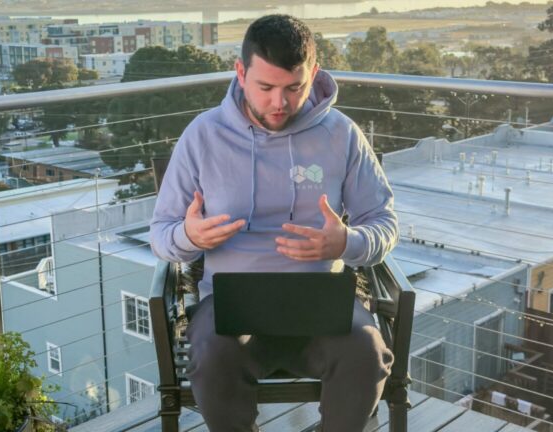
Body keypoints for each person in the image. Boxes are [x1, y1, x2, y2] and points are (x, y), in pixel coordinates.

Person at [150, 14, 398, 432]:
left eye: (293, 88)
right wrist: (188, 236)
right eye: (265, 88)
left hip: (323, 304)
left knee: (368, 351)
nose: (279, 103)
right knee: (210, 355)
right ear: (241, 72)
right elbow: (160, 235)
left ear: (314, 74)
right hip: (230, 311)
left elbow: (384, 223)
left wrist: (346, 243)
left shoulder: (342, 135)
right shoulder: (203, 136)